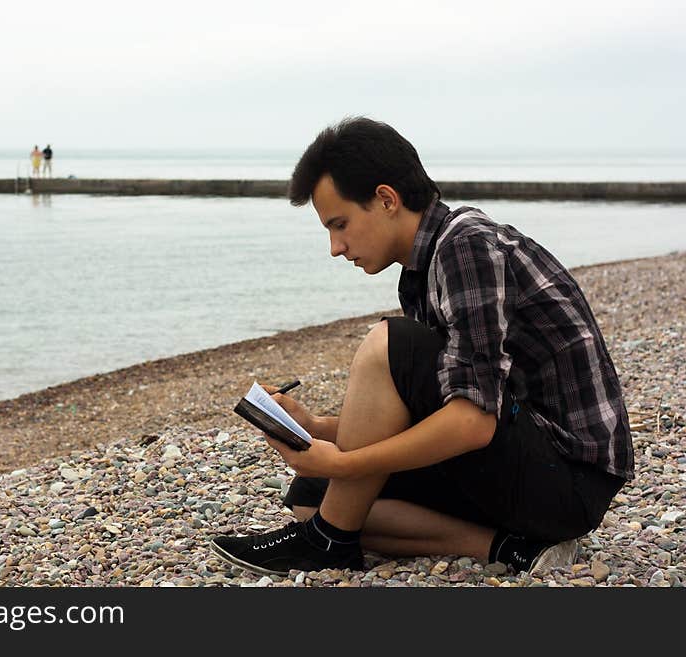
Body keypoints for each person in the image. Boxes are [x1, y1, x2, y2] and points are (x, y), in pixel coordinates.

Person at [210, 117, 633, 578]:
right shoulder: (421, 273)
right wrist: (316, 427)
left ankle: (328, 544)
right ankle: (512, 550)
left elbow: (472, 422)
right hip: (521, 462)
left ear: (387, 199)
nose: (335, 247)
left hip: (566, 480)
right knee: (313, 496)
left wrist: (348, 464)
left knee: (386, 344)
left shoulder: (466, 246)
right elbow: (433, 415)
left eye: (340, 224)